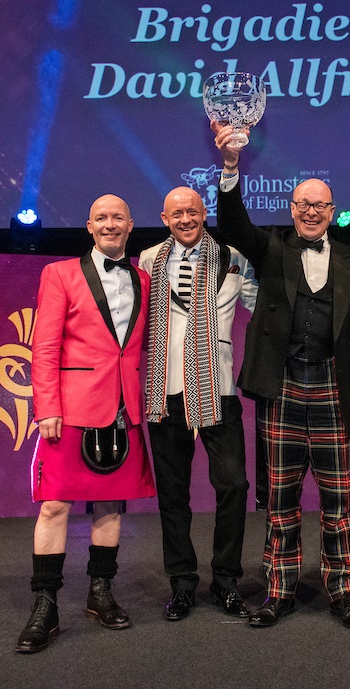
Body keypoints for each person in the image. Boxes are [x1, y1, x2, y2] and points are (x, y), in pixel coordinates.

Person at [211, 121, 350, 630]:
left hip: (335, 390)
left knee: (338, 499)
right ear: (292, 209)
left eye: (320, 206)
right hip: (281, 387)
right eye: (302, 204)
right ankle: (279, 590)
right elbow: (233, 225)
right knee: (280, 497)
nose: (310, 212)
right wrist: (231, 168)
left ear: (332, 212)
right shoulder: (272, 248)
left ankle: (342, 591)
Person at [15, 194, 156, 653]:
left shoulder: (144, 278)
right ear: (88, 226)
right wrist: (47, 407)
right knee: (54, 506)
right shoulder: (58, 274)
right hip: (71, 409)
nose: (110, 224)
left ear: (131, 225)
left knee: (111, 506)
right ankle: (45, 605)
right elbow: (44, 347)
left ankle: (101, 593)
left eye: (118, 217)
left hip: (123, 408)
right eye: (101, 218)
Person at [138, 187, 258, 622]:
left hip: (218, 387)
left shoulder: (232, 255)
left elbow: (259, 306)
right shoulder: (149, 259)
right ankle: (183, 584)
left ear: (204, 213)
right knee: (173, 494)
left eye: (192, 211)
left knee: (234, 487)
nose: (185, 219)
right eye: (176, 213)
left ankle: (226, 580)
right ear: (164, 217)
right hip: (164, 390)